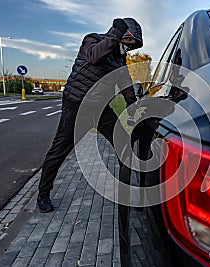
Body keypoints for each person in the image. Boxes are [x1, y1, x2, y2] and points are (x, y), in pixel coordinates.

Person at [37, 18, 143, 213]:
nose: (130, 48)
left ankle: (127, 196)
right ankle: (43, 195)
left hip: (102, 109)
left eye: (133, 45)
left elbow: (125, 81)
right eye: (129, 42)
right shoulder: (92, 40)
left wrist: (132, 103)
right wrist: (115, 33)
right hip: (76, 107)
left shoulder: (120, 58)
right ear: (120, 35)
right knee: (59, 151)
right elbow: (94, 57)